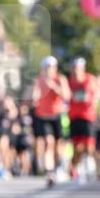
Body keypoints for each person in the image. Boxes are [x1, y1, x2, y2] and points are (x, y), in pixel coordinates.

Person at [31, 56, 69, 185]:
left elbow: (67, 95)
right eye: (46, 67)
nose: (49, 70)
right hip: (43, 116)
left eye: (51, 67)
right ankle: (49, 171)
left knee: (59, 145)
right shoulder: (39, 80)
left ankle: (59, 168)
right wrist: (34, 97)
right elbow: (35, 95)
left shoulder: (60, 79)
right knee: (48, 142)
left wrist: (53, 87)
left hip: (57, 116)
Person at [67, 57, 98, 179]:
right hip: (74, 117)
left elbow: (95, 94)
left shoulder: (89, 79)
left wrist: (90, 99)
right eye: (74, 68)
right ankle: (73, 168)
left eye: (78, 68)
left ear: (83, 68)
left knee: (89, 145)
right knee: (77, 147)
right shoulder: (69, 82)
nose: (76, 71)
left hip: (88, 117)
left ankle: (91, 165)